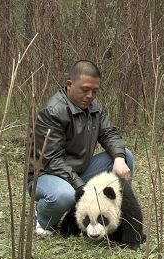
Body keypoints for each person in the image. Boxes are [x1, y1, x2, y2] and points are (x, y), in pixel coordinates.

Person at [28, 60, 134, 235]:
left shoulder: (94, 107)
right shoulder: (52, 111)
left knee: (125, 157)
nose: (90, 95)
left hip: (77, 171)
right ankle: (43, 218)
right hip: (47, 174)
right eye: (85, 90)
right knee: (64, 195)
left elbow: (109, 134)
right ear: (69, 85)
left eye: (94, 91)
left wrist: (119, 158)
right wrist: (81, 188)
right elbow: (52, 160)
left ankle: (107, 217)